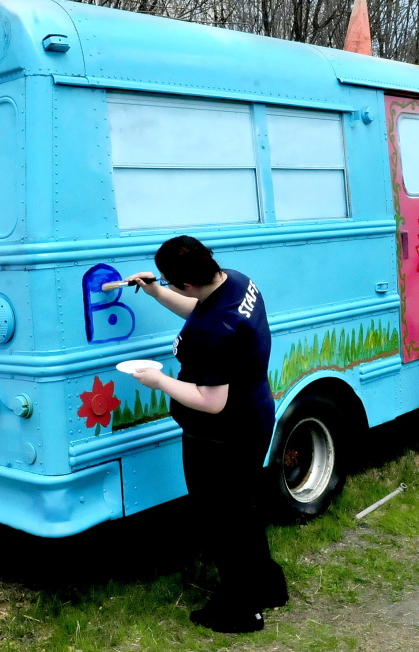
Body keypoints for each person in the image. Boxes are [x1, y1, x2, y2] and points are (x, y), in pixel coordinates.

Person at [124, 235, 287, 633]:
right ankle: (267, 586)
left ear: (189, 282)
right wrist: (156, 292)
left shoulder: (215, 334)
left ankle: (241, 610)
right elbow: (201, 309)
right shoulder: (234, 280)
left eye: (170, 280)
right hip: (253, 416)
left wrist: (159, 381)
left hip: (222, 435)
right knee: (243, 511)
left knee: (224, 522)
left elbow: (211, 400)